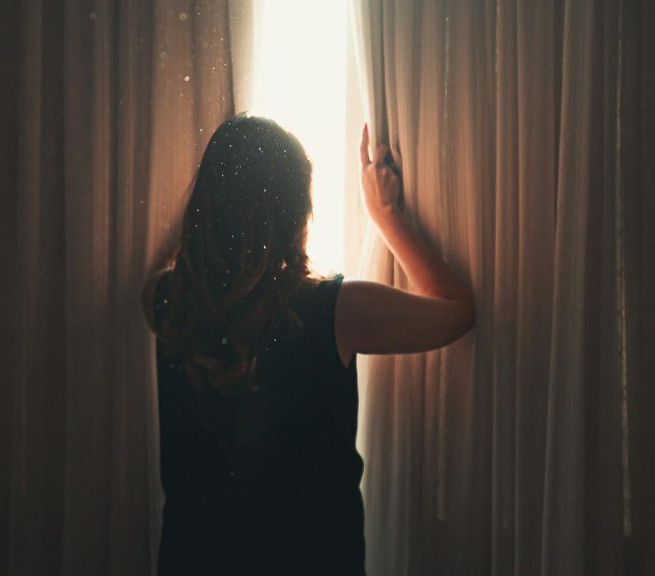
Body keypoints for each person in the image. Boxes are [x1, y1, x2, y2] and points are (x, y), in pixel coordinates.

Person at [141, 114, 474, 575]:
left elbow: (186, 263)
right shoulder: (333, 311)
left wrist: (213, 221)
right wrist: (387, 216)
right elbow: (456, 312)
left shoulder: (166, 301)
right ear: (293, 213)